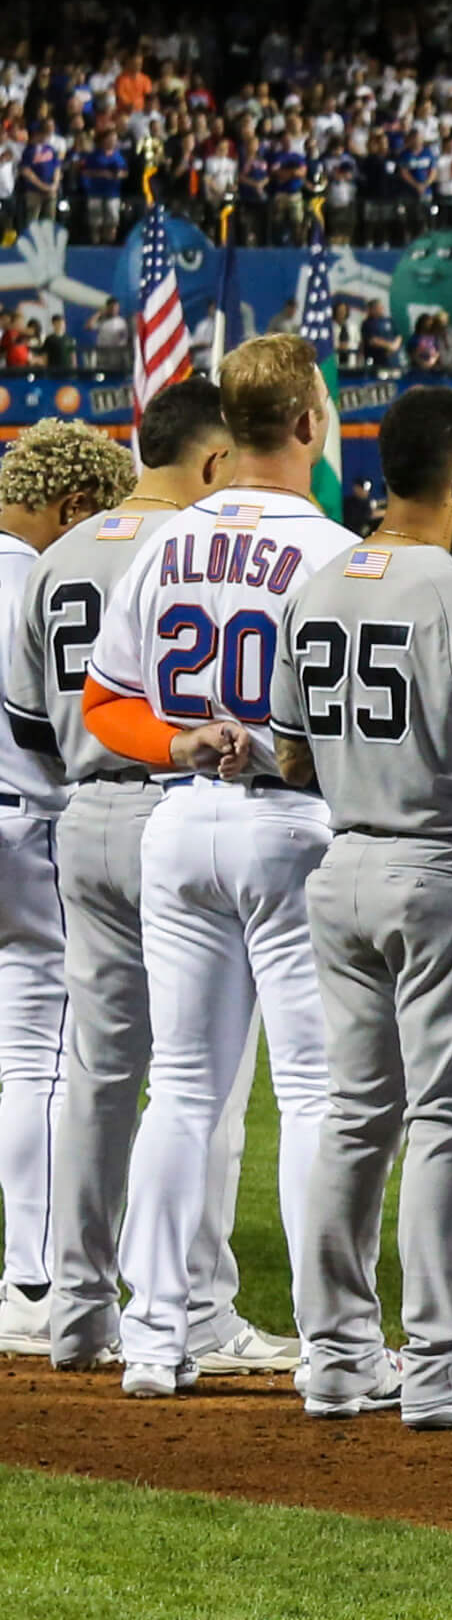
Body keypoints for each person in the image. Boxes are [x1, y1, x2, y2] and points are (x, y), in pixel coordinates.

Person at [80, 334, 358, 1399]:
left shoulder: (160, 541)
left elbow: (105, 704)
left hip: (178, 823)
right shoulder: (330, 550)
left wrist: (183, 742)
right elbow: (342, 734)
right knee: (312, 1091)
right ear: (305, 425)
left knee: (182, 1090)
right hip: (288, 829)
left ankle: (154, 1343)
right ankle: (335, 1352)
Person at [2, 393, 293, 1372]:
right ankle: (196, 1306)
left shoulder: (57, 558)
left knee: (96, 1070)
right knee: (199, 1077)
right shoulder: (203, 547)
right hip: (187, 808)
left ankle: (79, 1308)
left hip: (82, 816)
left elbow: (34, 727)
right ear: (215, 457)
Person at [272, 388, 452, 1426]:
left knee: (354, 1114)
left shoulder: (318, 585)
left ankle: (337, 1356)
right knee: (448, 1120)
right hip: (447, 873)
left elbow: (292, 753)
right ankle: (439, 1361)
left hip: (341, 868)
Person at [0, 422, 129, 1353]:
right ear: (73, 505)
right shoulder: (37, 580)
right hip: (28, 824)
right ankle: (37, 1275)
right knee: (37, 1056)